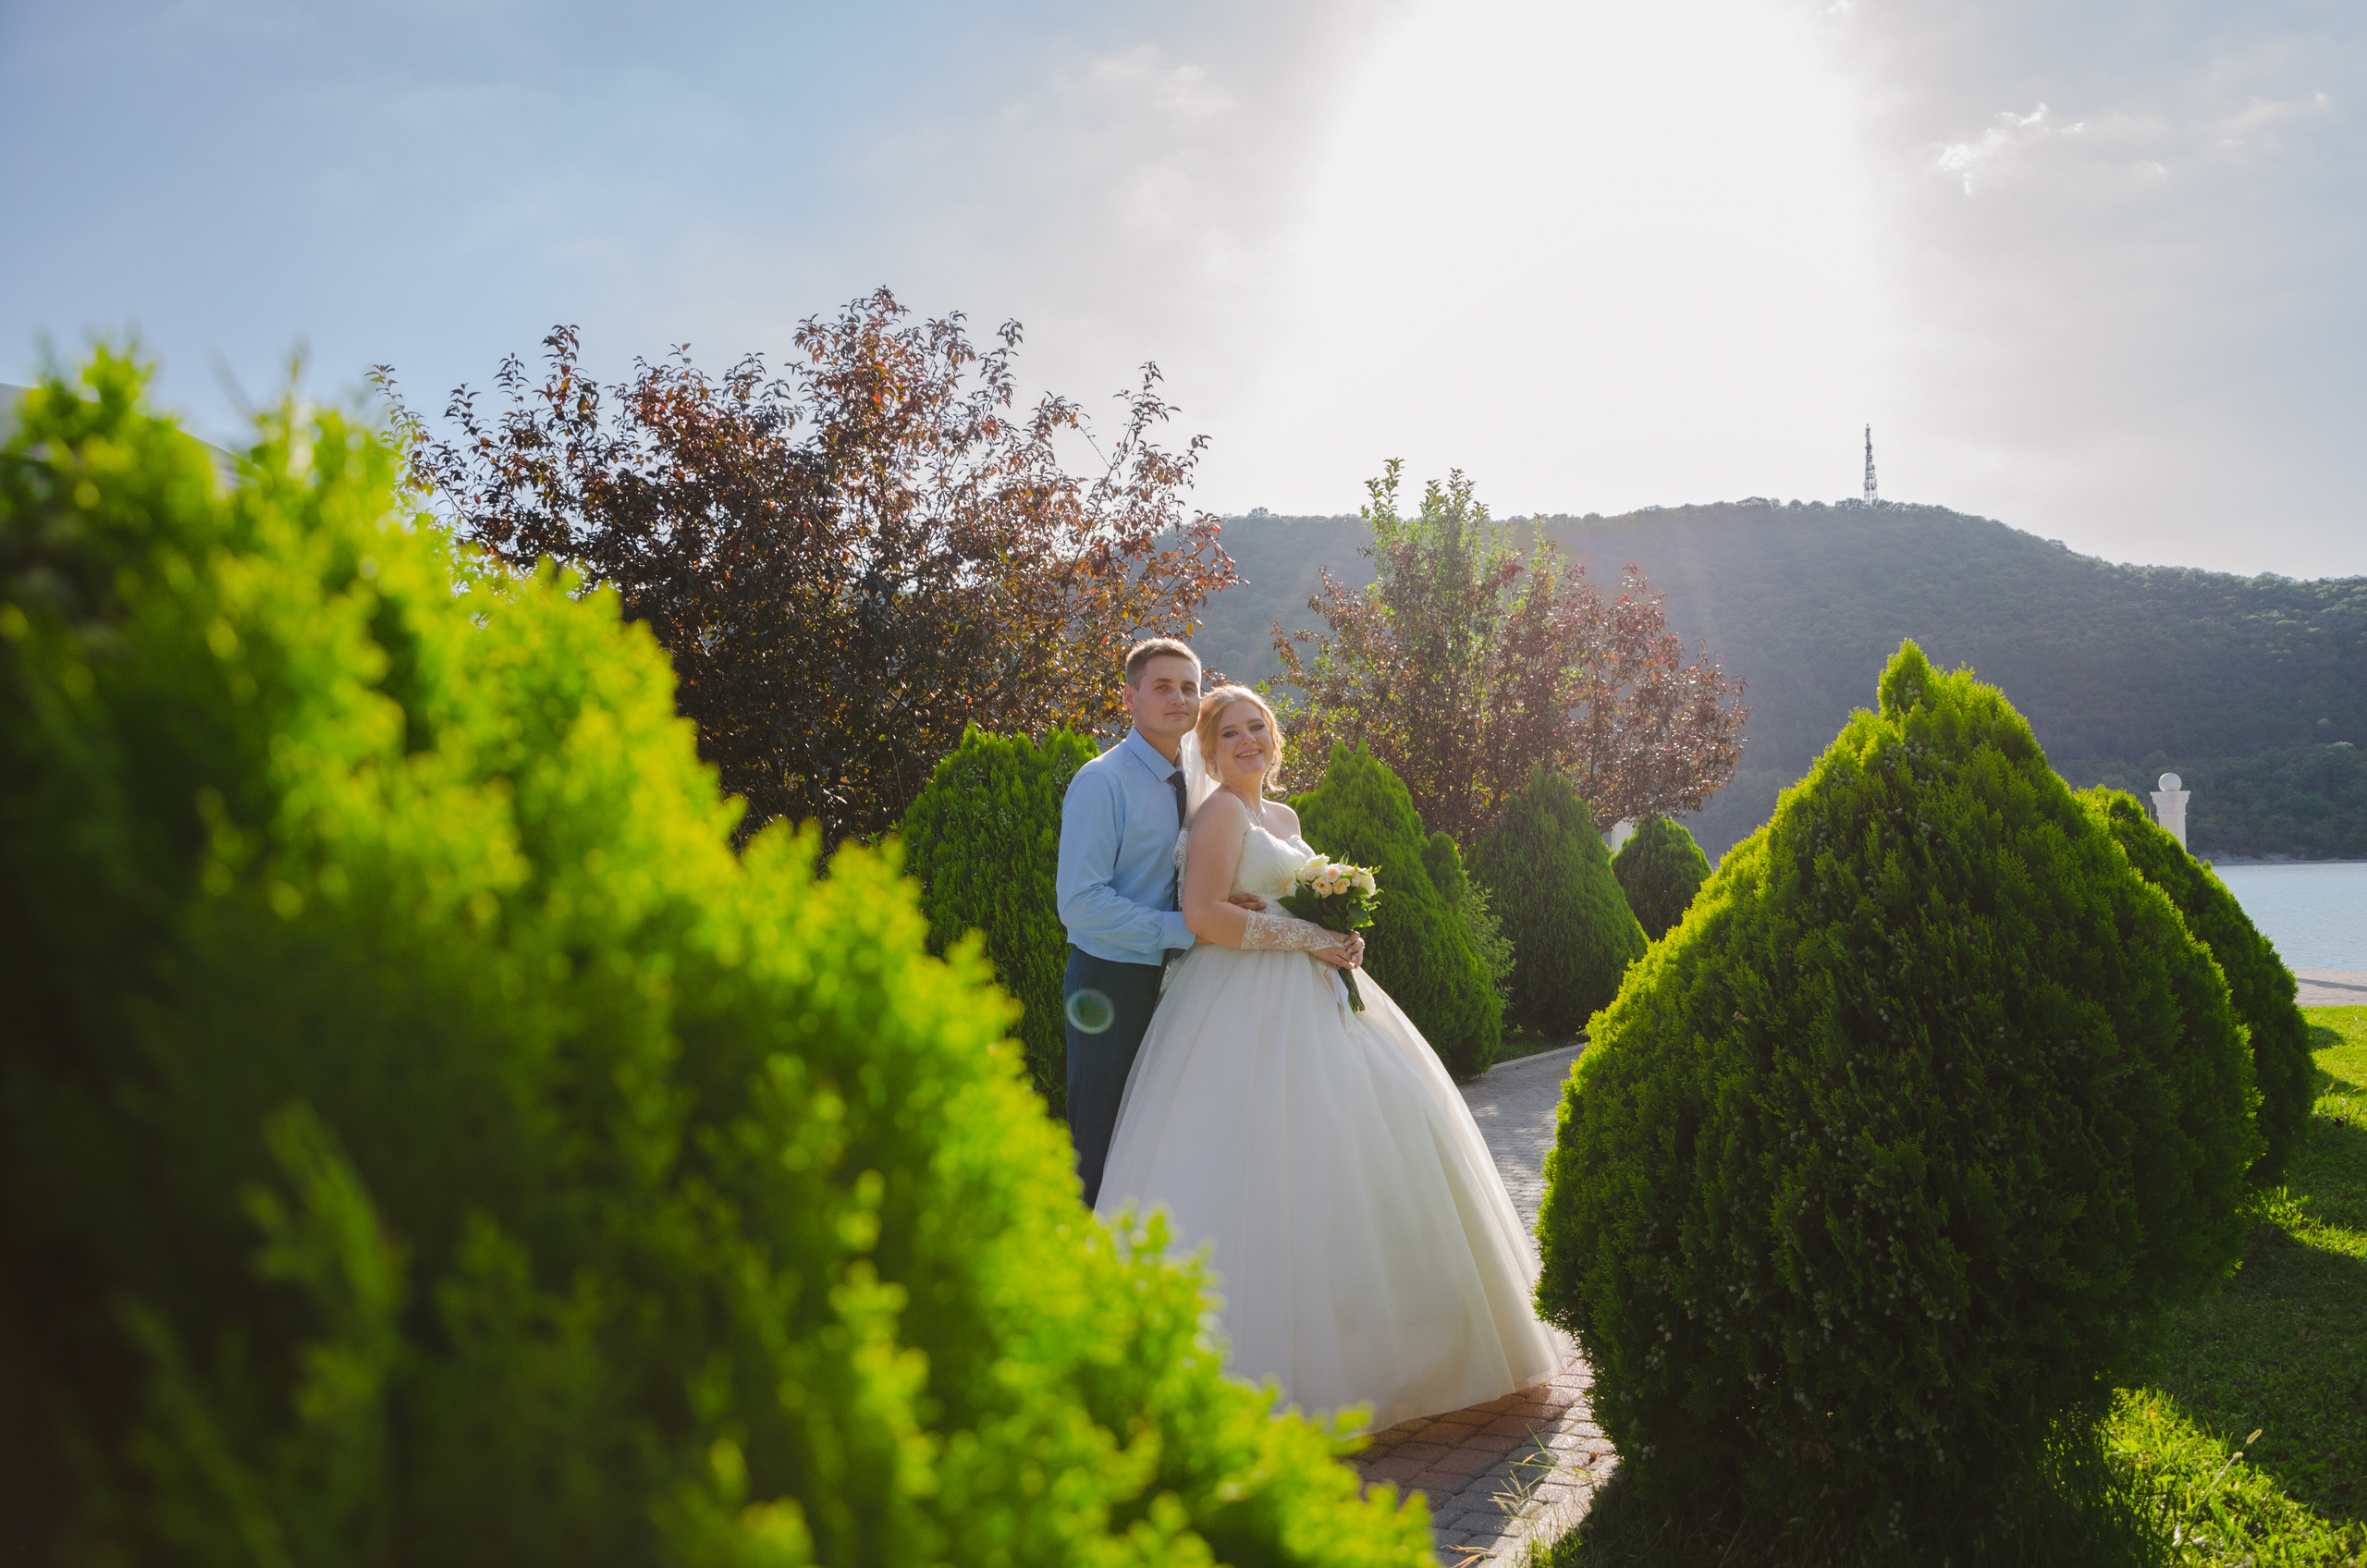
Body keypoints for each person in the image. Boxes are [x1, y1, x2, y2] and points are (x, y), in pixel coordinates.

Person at [1094, 685, 1562, 1430]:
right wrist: (1309, 938)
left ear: (1273, 739)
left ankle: (1364, 1344)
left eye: (1259, 728)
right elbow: (1203, 915)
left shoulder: (1282, 816)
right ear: (1209, 751)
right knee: (1259, 1167)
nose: (1248, 741)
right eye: (1231, 733)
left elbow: (1292, 902)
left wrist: (1340, 935)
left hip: (1316, 992)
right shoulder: (1218, 814)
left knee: (1347, 1156)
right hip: (1235, 1006)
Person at [1054, 641, 1360, 1207]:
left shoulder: (1200, 782)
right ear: (1130, 696)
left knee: (1174, 1141)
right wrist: (1188, 927)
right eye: (1163, 686)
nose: (1179, 698)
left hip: (1193, 980)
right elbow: (1079, 903)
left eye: (1189, 687)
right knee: (1103, 1138)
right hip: (1114, 981)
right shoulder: (1104, 782)